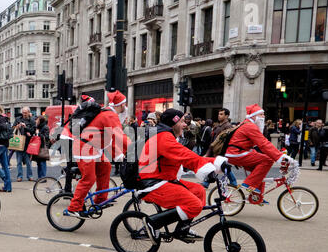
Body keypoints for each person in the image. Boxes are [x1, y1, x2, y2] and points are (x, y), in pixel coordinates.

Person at [137, 108, 229, 242]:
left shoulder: (168, 135)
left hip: (164, 179)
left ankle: (182, 229)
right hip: (152, 183)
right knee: (194, 205)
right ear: (173, 123)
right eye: (181, 121)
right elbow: (185, 156)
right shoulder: (163, 137)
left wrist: (217, 163)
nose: (185, 124)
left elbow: (187, 157)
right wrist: (206, 169)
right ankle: (152, 223)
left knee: (198, 191)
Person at [61, 90, 130, 218]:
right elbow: (120, 136)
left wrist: (121, 154)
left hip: (94, 148)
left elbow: (111, 139)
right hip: (84, 148)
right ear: (120, 105)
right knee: (89, 179)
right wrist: (136, 150)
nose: (125, 108)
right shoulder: (110, 115)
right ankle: (73, 207)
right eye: (124, 104)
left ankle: (100, 200)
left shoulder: (108, 114)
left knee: (106, 167)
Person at [225, 104, 295, 202]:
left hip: (237, 152)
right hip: (237, 153)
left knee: (259, 172)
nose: (264, 117)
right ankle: (249, 184)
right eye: (261, 114)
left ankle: (256, 196)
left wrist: (278, 153)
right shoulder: (250, 126)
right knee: (267, 160)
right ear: (254, 115)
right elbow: (263, 144)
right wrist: (279, 157)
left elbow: (262, 145)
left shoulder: (248, 124)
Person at [12, 106, 36, 182]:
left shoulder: (32, 120)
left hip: (27, 143)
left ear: (29, 112)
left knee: (28, 162)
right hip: (18, 143)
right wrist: (17, 126)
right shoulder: (18, 119)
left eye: (25, 113)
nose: (24, 114)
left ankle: (30, 176)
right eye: (23, 112)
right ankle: (19, 176)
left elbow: (33, 130)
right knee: (19, 162)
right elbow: (12, 128)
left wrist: (26, 127)